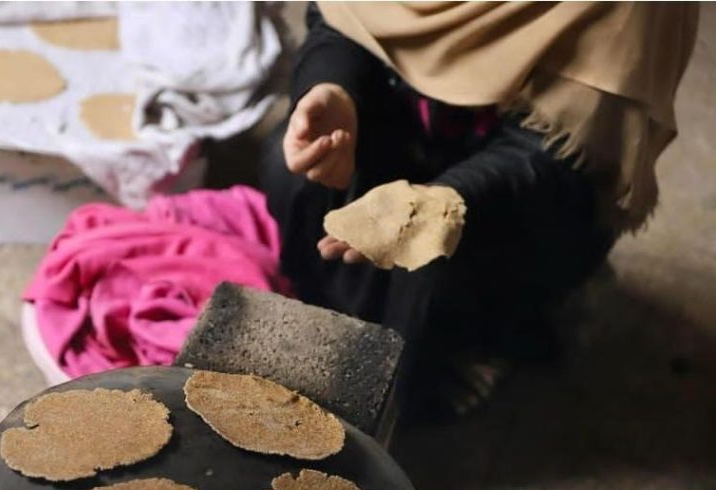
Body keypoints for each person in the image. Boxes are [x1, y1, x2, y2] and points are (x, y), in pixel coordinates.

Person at [261, 2, 698, 420]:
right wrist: (335, 91)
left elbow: (575, 149)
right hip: (398, 118)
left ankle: (448, 362)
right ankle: (336, 328)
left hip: (522, 182)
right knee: (294, 171)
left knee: (429, 260)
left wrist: (449, 199)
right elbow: (341, 19)